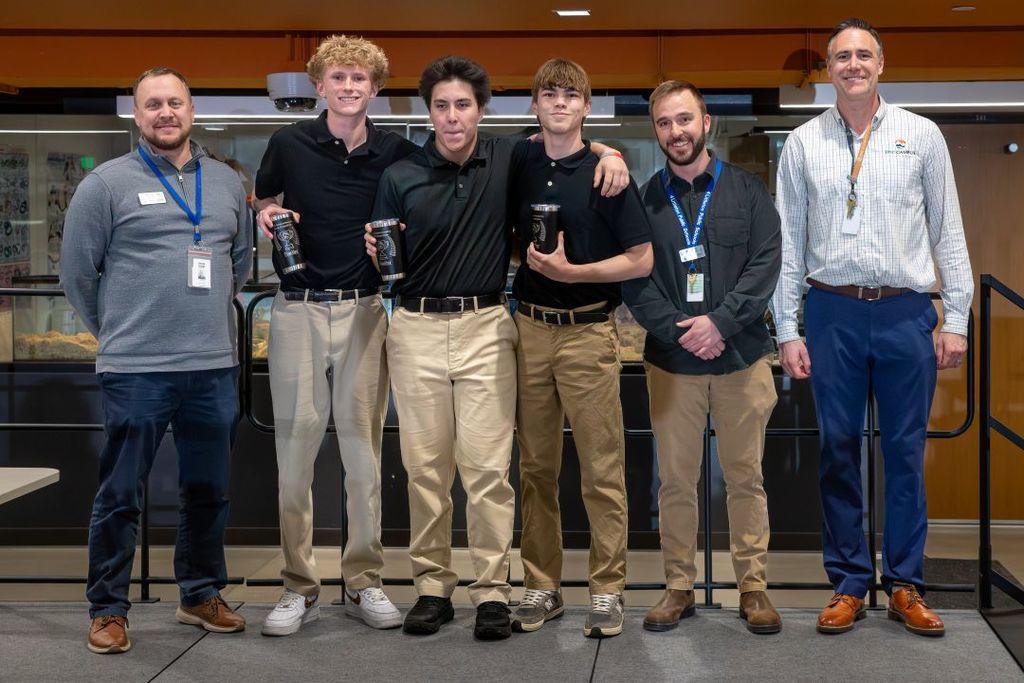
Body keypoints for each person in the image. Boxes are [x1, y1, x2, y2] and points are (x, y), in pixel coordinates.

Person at [366, 55, 629, 640]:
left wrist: (613, 154)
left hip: (487, 326)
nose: (453, 116)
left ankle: (491, 589)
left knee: (488, 470)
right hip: (413, 329)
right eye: (441, 106)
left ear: (482, 111)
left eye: (463, 105)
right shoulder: (401, 175)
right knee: (425, 470)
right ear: (428, 112)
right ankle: (432, 587)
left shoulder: (512, 156)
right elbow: (383, 253)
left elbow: (569, 141)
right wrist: (374, 247)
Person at [772, 17, 973, 637]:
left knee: (905, 452)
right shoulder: (803, 142)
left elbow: (949, 231)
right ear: (827, 70)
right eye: (841, 57)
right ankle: (849, 583)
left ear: (881, 65)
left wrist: (957, 317)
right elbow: (788, 245)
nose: (852, 65)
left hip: (905, 310)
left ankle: (906, 582)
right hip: (830, 311)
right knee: (837, 449)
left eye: (863, 55)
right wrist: (787, 327)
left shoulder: (922, 135)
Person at [61, 67, 252, 654]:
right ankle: (108, 608)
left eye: (174, 102)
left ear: (191, 109)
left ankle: (199, 594)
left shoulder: (224, 183)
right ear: (137, 116)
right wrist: (119, 335)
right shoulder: (106, 185)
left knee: (208, 489)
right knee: (121, 492)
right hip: (136, 367)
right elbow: (77, 276)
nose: (164, 113)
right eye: (152, 105)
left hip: (212, 365)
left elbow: (238, 264)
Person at [252, 35, 418, 636]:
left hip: (366, 312)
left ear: (375, 89)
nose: (350, 88)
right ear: (318, 85)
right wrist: (265, 213)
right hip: (295, 311)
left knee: (363, 459)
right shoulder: (287, 143)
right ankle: (299, 585)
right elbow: (264, 197)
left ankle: (364, 580)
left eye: (361, 79)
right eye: (338, 78)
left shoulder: (397, 150)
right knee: (293, 461)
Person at [623, 80, 783, 634]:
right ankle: (678, 587)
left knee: (747, 478)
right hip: (673, 363)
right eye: (665, 123)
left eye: (684, 120)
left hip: (741, 357)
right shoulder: (643, 200)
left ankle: (753, 588)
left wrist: (720, 322)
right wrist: (681, 330)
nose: (676, 132)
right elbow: (635, 281)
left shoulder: (747, 191)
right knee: (674, 482)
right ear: (657, 130)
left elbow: (765, 267)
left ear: (706, 121)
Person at [509, 58, 652, 639]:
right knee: (537, 469)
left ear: (586, 106)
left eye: (572, 94)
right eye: (549, 93)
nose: (560, 102)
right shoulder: (518, 159)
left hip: (589, 330)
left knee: (601, 469)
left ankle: (607, 590)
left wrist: (575, 274)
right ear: (536, 104)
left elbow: (640, 259)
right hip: (528, 330)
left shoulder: (608, 173)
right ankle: (542, 586)